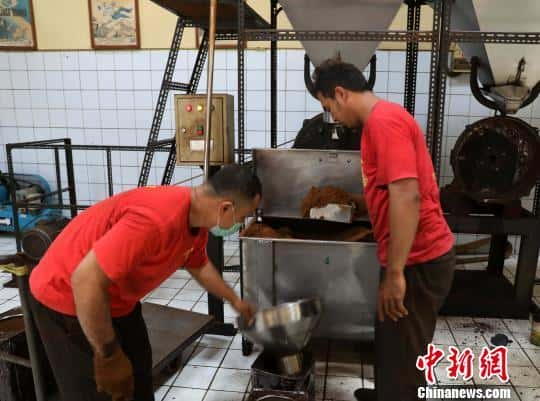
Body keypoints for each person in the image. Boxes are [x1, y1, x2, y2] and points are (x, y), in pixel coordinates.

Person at [28, 164, 261, 401]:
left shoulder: (195, 222)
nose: (240, 224)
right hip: (67, 298)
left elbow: (199, 265)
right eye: (242, 217)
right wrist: (108, 354)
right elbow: (85, 280)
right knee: (99, 392)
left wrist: (235, 301)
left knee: (138, 380)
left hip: (117, 302)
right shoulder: (156, 220)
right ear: (225, 207)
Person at [312, 59, 456, 401]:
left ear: (340, 93)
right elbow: (390, 189)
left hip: (418, 260)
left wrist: (395, 274)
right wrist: (356, 205)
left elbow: (407, 195)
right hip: (406, 257)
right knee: (393, 343)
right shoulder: (379, 121)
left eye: (328, 106)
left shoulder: (384, 122)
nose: (331, 115)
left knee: (405, 354)